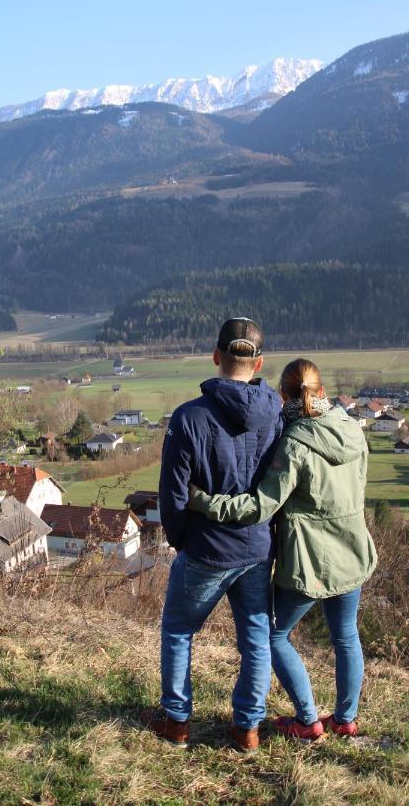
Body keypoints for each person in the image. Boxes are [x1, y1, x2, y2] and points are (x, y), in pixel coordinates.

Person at [189, 358, 377, 741]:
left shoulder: (293, 442)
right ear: (322, 391)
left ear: (283, 396)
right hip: (353, 552)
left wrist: (204, 502)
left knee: (275, 636)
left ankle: (307, 720)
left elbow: (260, 506)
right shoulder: (352, 429)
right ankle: (345, 719)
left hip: (309, 563)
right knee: (346, 636)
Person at [141, 317, 283, 752]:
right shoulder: (276, 412)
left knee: (179, 630)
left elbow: (173, 492)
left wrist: (181, 539)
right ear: (258, 364)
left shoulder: (189, 418)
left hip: (206, 548)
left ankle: (178, 721)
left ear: (216, 356)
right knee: (256, 638)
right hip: (258, 548)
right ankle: (247, 729)